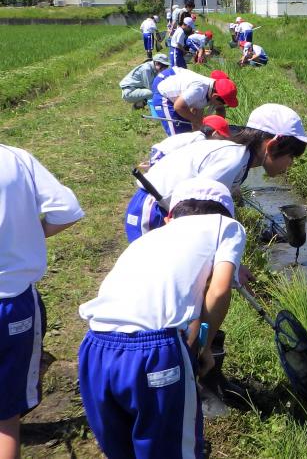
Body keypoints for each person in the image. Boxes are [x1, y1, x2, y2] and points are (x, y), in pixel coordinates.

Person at [79, 178, 246, 459]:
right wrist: (203, 347)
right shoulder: (226, 227)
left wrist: (192, 343)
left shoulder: (148, 240)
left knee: (122, 450)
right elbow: (218, 290)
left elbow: (180, 301)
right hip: (154, 351)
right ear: (225, 212)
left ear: (170, 217)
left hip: (95, 346)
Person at [124, 103, 307, 243]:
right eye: (291, 156)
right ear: (271, 145)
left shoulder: (240, 157)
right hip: (153, 211)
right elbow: (198, 212)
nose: (290, 164)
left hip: (166, 209)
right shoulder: (232, 159)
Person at [0, 145, 84, 457]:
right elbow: (67, 210)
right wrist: (28, 235)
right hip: (11, 301)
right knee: (5, 419)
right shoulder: (15, 159)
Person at [152, 68, 238, 137]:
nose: (223, 105)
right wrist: (198, 121)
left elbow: (197, 111)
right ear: (215, 96)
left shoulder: (210, 93)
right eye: (223, 103)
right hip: (164, 95)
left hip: (180, 95)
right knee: (179, 136)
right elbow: (178, 107)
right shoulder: (199, 89)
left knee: (189, 131)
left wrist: (218, 129)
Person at [147, 115, 231, 167]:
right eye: (222, 137)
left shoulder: (197, 135)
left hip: (160, 152)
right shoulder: (201, 141)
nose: (222, 141)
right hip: (161, 156)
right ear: (215, 134)